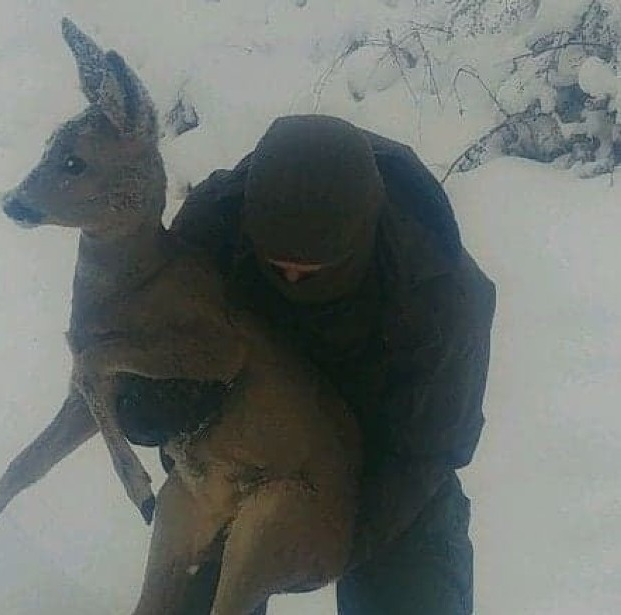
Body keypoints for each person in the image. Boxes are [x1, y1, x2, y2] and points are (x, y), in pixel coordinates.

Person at [119, 114, 495, 614]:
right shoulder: (213, 230)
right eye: (277, 268)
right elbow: (137, 335)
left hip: (383, 473)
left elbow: (428, 450)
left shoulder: (440, 290)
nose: (292, 282)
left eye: (314, 272)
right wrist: (149, 404)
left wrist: (329, 540)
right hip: (239, 457)